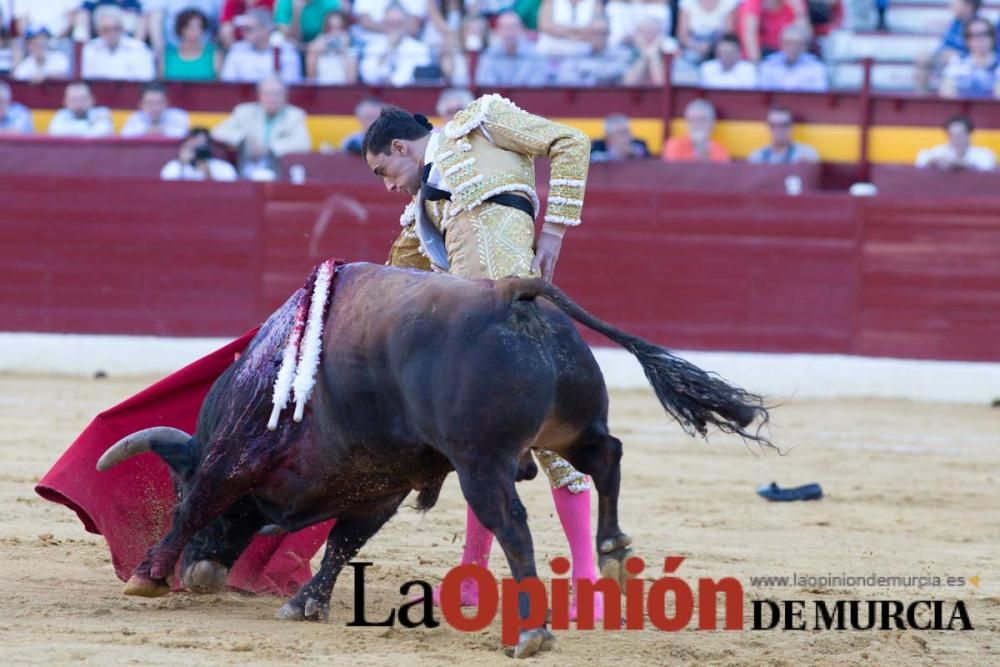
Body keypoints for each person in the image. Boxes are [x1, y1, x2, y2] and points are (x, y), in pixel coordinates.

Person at [362, 95, 604, 620]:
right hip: (473, 349)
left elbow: (571, 142)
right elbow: (388, 284)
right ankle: (473, 579)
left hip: (524, 319)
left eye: (384, 170)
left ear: (400, 146)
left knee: (557, 453)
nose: (388, 186)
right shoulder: (418, 218)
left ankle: (588, 582)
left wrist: (556, 232)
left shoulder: (482, 124)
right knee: (481, 453)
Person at [211, 76, 311, 179]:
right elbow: (217, 132)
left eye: (277, 94)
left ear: (286, 96)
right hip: (244, 171)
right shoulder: (244, 112)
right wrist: (244, 139)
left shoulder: (295, 115)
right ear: (259, 95)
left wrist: (269, 149)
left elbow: (303, 143)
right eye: (267, 93)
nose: (272, 98)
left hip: (278, 172)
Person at [220, 7, 302, 83]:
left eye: (248, 29)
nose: (243, 33)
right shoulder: (237, 50)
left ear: (265, 30)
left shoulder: (286, 52)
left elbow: (291, 86)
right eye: (242, 29)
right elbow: (228, 83)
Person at [358, 5, 433, 86]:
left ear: (406, 23)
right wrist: (388, 49)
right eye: (390, 24)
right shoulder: (372, 47)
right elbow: (369, 77)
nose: (394, 29)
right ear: (383, 23)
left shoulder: (420, 48)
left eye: (398, 23)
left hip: (409, 94)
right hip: (379, 93)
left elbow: (422, 79)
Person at [81, 4, 156, 80]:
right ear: (98, 30)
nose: (112, 33)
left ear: (123, 28)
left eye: (116, 28)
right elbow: (86, 81)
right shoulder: (89, 50)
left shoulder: (139, 49)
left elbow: (146, 81)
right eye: (106, 29)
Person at [474, 10, 546, 87]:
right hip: (498, 98)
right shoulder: (489, 55)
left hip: (527, 98)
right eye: (505, 28)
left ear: (521, 29)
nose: (509, 33)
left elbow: (537, 87)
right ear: (498, 31)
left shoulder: (535, 55)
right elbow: (486, 85)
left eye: (513, 27)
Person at [939, 17, 999, 99]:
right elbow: (946, 95)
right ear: (966, 40)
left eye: (985, 34)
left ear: (993, 37)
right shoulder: (957, 63)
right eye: (973, 35)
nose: (979, 39)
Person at [756, 23, 828, 91]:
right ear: (781, 44)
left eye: (797, 44)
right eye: (788, 43)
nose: (792, 48)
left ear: (805, 46)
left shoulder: (816, 67)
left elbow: (818, 96)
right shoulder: (768, 65)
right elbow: (763, 96)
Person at [915, 115, 996, 171]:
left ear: (969, 135)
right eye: (952, 135)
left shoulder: (983, 154)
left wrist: (959, 164)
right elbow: (922, 160)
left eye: (960, 135)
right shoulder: (940, 151)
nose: (956, 139)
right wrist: (933, 160)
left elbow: (987, 166)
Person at [662, 98, 730, 161]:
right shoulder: (674, 146)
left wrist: (702, 149)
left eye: (702, 119)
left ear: (712, 123)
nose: (697, 124)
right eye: (693, 119)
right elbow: (673, 172)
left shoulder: (720, 151)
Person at [163, 7, 221, 80]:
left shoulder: (213, 53)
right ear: (180, 28)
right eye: (189, 26)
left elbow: (219, 84)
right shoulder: (168, 53)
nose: (194, 30)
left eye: (199, 26)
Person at [161, 127, 239, 180]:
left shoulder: (224, 168)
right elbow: (167, 189)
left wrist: (208, 174)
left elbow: (229, 193)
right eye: (195, 145)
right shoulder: (174, 166)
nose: (198, 149)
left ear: (210, 147)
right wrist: (182, 165)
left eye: (202, 145)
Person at [747, 106, 819, 164]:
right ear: (768, 128)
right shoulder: (757, 157)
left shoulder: (806, 154)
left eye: (784, 125)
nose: (779, 130)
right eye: (774, 125)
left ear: (791, 127)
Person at [305, 10, 358, 84]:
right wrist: (316, 51)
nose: (335, 32)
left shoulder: (350, 52)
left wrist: (343, 51)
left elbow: (351, 82)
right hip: (320, 91)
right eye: (331, 28)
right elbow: (311, 80)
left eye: (339, 28)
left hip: (342, 92)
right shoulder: (317, 48)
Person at [121, 82, 190, 138]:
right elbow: (125, 137)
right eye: (149, 103)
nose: (155, 108)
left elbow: (184, 136)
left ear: (167, 103)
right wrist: (146, 131)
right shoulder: (134, 118)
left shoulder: (179, 116)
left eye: (159, 102)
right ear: (141, 105)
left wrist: (162, 131)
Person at [48, 81, 115, 137]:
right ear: (66, 102)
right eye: (73, 100)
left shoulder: (102, 112)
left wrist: (71, 130)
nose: (78, 104)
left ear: (91, 99)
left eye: (82, 99)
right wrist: (89, 125)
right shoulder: (61, 114)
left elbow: (103, 131)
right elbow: (55, 131)